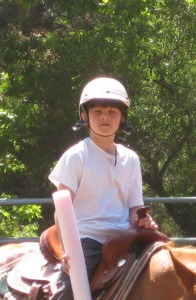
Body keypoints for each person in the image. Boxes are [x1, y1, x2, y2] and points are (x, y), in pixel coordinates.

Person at [48, 76, 159, 296]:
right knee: (73, 290)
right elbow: (62, 210)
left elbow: (135, 206)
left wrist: (143, 219)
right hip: (88, 238)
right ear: (84, 115)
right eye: (97, 111)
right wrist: (67, 251)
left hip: (124, 237)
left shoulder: (131, 159)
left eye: (112, 112)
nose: (105, 117)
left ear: (122, 118)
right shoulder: (76, 156)